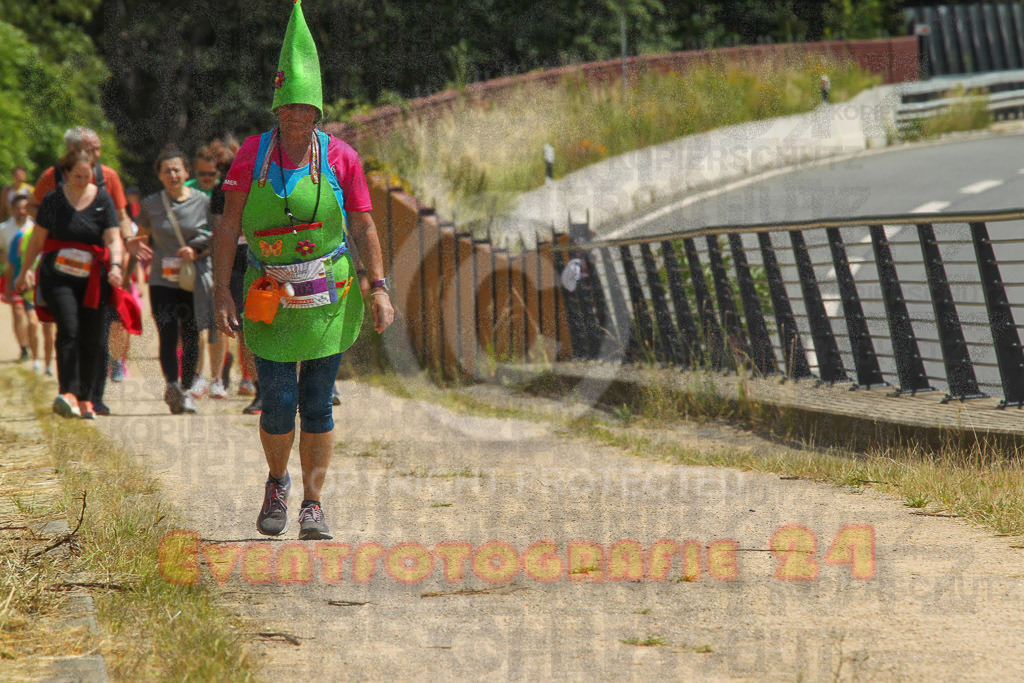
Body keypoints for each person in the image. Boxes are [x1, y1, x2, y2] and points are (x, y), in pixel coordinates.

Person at [213, 0, 393, 540]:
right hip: (269, 294)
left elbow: (363, 227)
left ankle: (313, 502)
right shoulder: (251, 154)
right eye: (289, 106)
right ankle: (277, 482)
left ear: (318, 112)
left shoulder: (342, 158)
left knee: (317, 402)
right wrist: (221, 290)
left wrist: (379, 286)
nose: (297, 116)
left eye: (306, 107)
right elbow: (227, 227)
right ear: (277, 107)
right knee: (277, 400)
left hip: (329, 296)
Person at [16, 150, 124, 419]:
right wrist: (24, 270)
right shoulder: (53, 199)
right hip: (57, 275)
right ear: (66, 173)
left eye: (87, 175)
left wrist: (117, 266)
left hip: (93, 280)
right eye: (77, 175)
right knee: (69, 328)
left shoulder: (102, 199)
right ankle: (68, 394)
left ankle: (87, 399)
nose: (82, 179)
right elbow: (38, 240)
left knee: (93, 339)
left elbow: (113, 238)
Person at [128, 145, 215, 414]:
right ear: (160, 176)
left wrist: (196, 249)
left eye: (177, 169)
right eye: (167, 171)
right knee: (167, 333)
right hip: (162, 280)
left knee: (190, 335)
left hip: (193, 279)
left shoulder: (202, 201)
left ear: (186, 172)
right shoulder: (151, 204)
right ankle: (172, 385)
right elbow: (140, 239)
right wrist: (129, 261)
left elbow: (216, 235)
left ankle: (187, 390)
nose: (173, 175)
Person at [187, 143, 229, 400]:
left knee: (217, 325)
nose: (206, 179)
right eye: (202, 174)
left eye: (211, 175)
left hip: (219, 262)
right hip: (192, 264)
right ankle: (196, 377)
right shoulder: (187, 189)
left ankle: (217, 380)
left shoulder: (225, 191)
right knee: (193, 324)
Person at [1, 195, 40, 365]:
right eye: (18, 208)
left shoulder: (36, 228)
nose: (21, 211)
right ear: (12, 209)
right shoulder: (4, 229)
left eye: (25, 208)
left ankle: (33, 347)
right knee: (17, 313)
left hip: (33, 280)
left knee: (33, 320)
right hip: (12, 275)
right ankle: (23, 348)